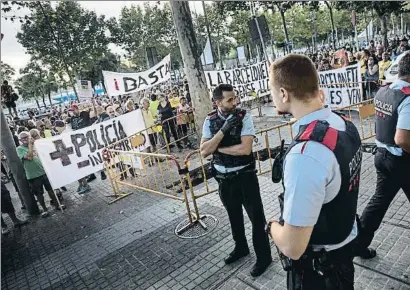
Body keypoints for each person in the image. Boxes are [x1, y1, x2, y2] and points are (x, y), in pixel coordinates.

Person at [266, 54, 362, 289]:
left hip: (320, 270)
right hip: (343, 248)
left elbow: (292, 246)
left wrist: (270, 227)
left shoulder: (306, 154)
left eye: (272, 90)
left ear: (283, 94)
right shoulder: (343, 124)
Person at [200, 84, 272, 277]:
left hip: (245, 176)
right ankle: (241, 248)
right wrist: (223, 131)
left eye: (235, 98)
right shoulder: (210, 120)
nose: (236, 102)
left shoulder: (244, 117)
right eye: (230, 100)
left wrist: (218, 148)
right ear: (218, 102)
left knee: (257, 219)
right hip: (224, 179)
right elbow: (204, 151)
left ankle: (264, 257)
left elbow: (245, 149)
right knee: (234, 217)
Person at [356, 53, 410, 260]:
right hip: (401, 161)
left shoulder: (384, 90)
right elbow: (403, 139)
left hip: (382, 156)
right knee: (379, 202)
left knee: (378, 203)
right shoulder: (407, 98)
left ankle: (359, 245)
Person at [16, 131, 66, 217]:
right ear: (20, 140)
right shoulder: (19, 149)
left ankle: (57, 205)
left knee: (51, 190)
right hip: (33, 176)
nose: (25, 139)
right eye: (23, 138)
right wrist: (30, 145)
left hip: (43, 172)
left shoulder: (36, 145)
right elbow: (29, 157)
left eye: (27, 137)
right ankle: (45, 210)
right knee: (39, 194)